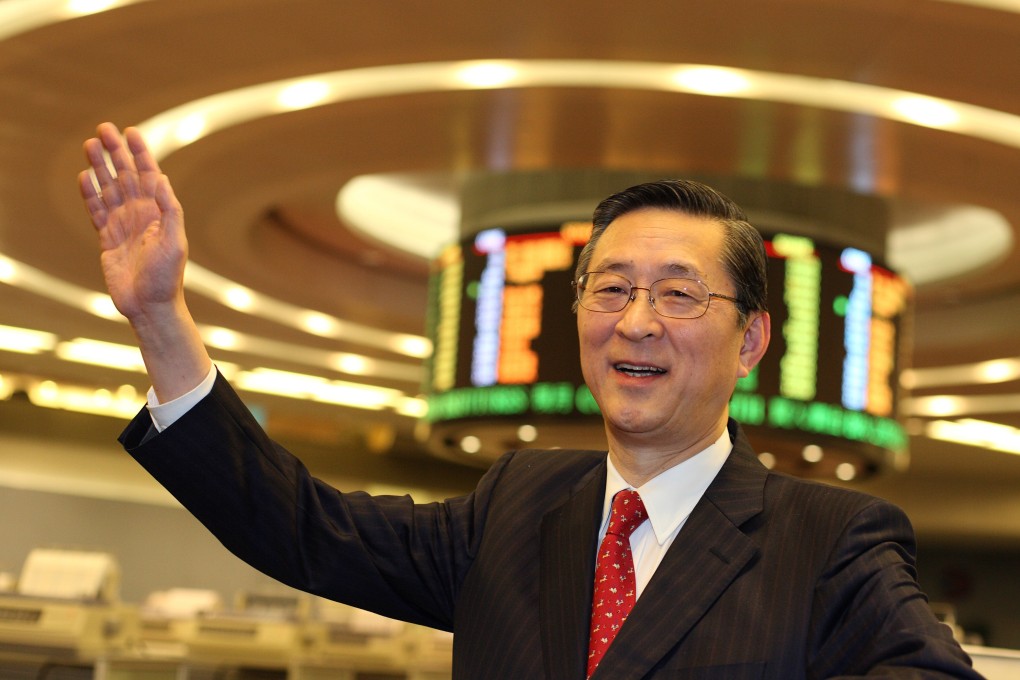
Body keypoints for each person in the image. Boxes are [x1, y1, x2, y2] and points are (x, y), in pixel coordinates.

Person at [79, 122, 982, 679]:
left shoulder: (829, 540)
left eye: (678, 294)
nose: (636, 323)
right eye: (611, 288)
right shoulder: (515, 507)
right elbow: (303, 530)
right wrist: (161, 315)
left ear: (750, 341)